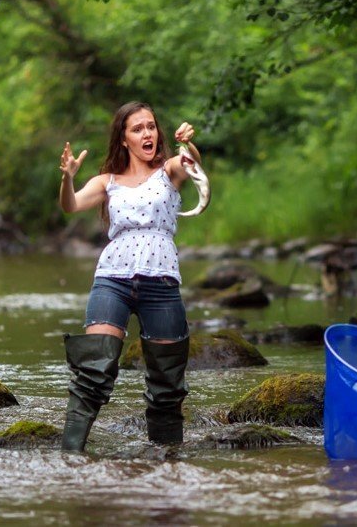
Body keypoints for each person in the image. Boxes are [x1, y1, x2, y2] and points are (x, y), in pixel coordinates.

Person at [58, 101, 202, 451]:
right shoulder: (106, 181)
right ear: (124, 139)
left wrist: (188, 144)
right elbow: (70, 205)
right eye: (137, 129)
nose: (147, 133)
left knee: (167, 385)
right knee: (95, 368)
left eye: (151, 126)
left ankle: (166, 462)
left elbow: (192, 163)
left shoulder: (169, 170)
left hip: (162, 279)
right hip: (113, 278)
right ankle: (70, 455)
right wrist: (68, 177)